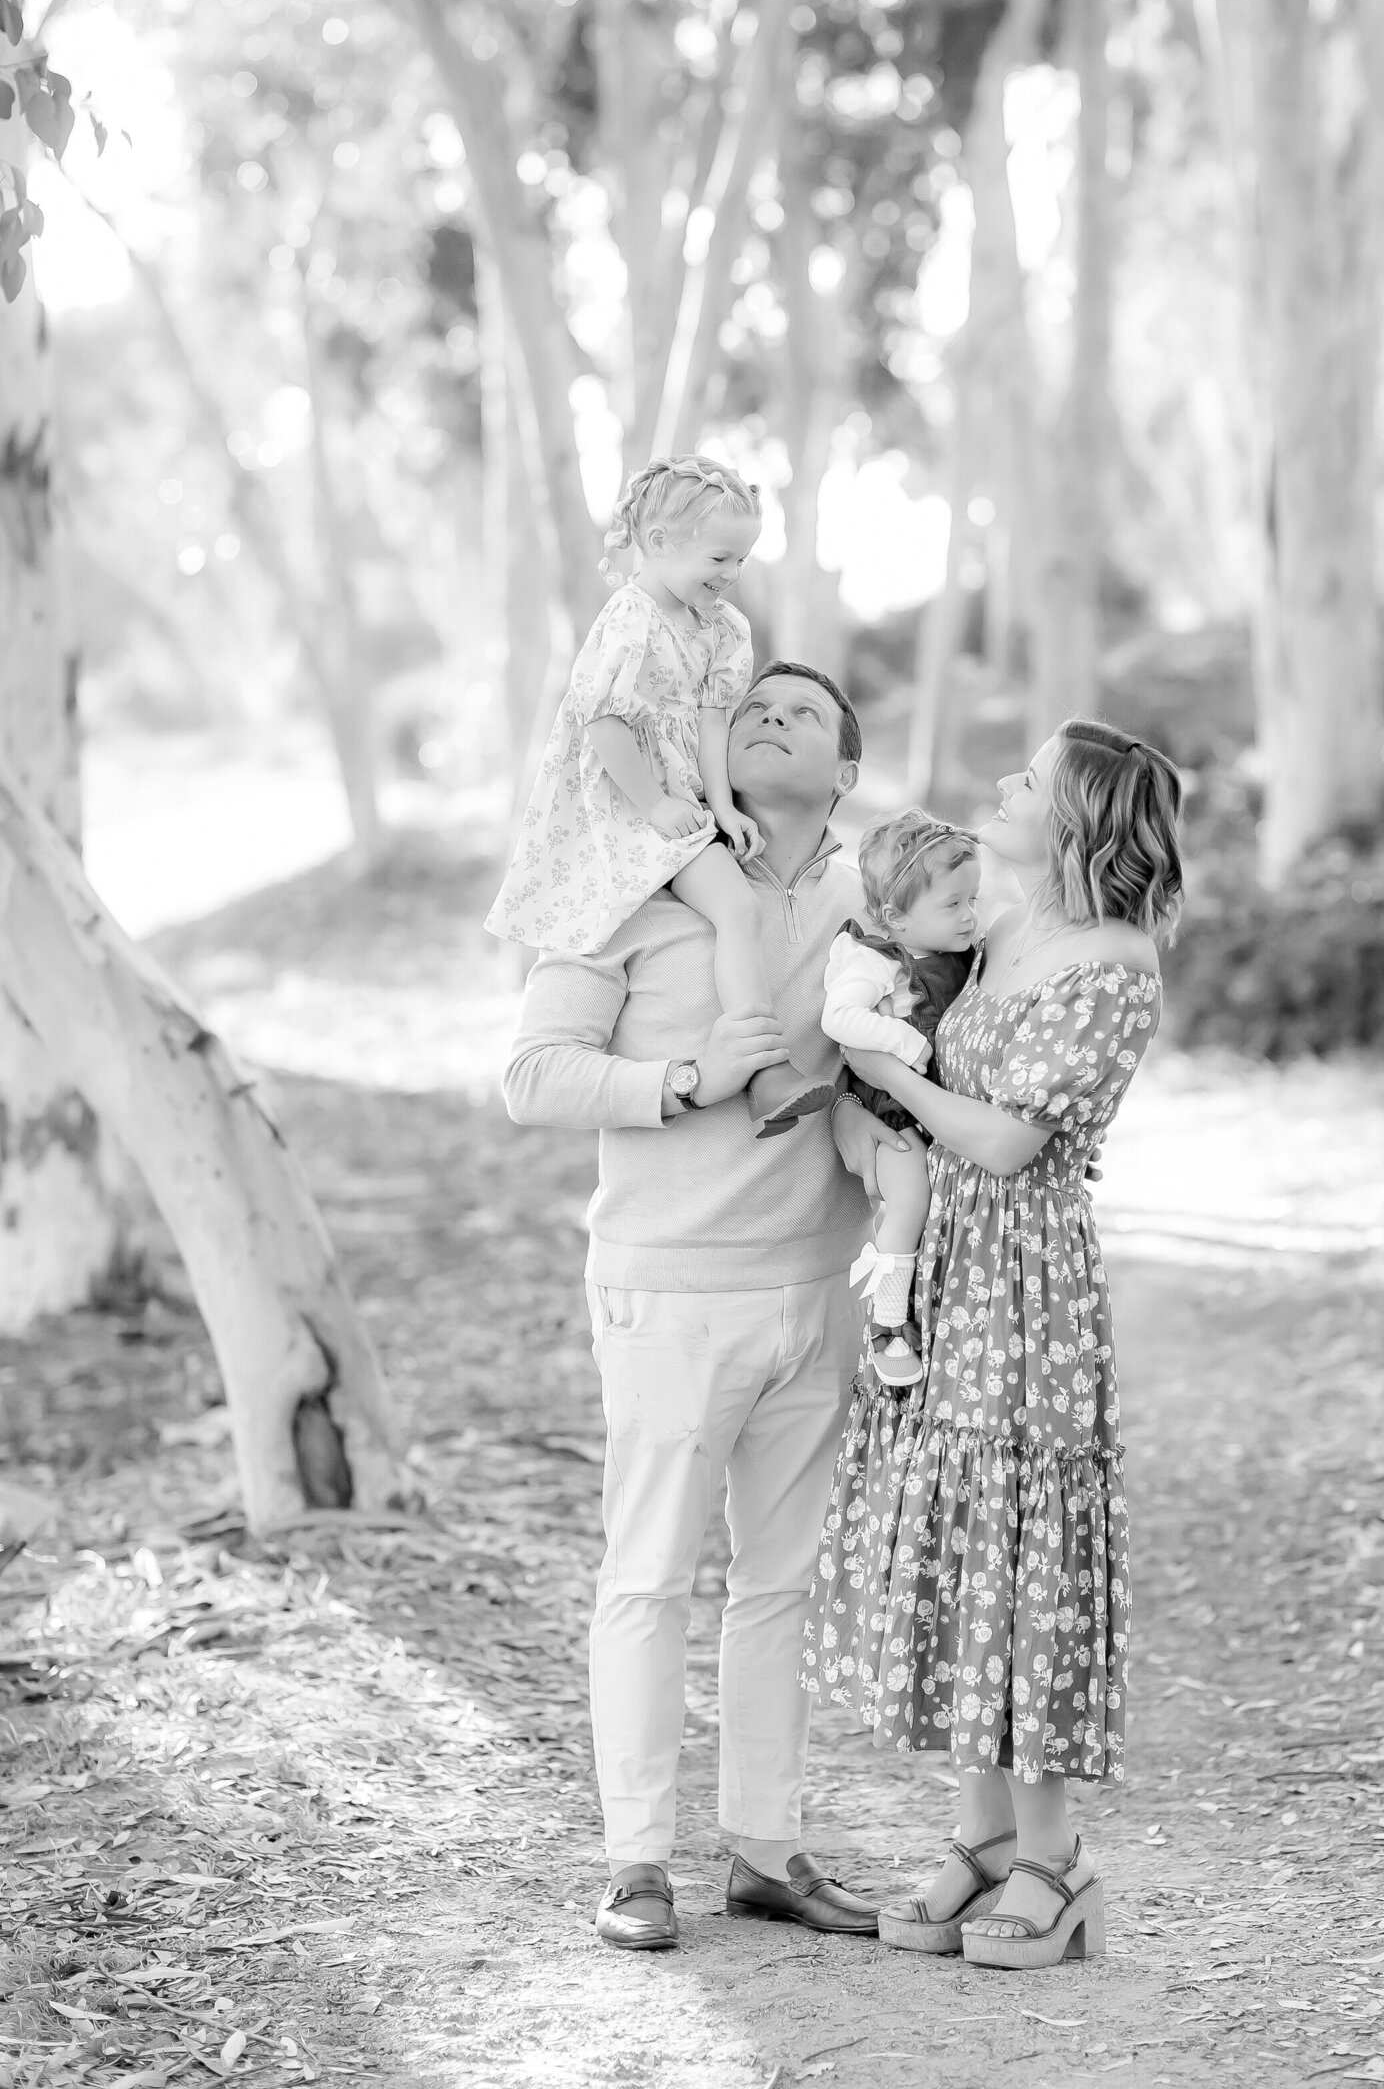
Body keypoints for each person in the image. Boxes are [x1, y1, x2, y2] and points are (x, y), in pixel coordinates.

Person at [502, 660, 906, 1953]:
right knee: (649, 1578)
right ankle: (633, 1866)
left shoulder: (871, 906)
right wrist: (678, 1077)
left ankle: (766, 1853)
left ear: (843, 774)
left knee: (779, 1586)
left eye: (804, 714)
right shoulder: (635, 884)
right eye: (753, 709)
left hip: (817, 1292)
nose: (770, 717)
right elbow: (531, 1075)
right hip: (670, 1290)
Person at [804, 719, 1183, 1972]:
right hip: (949, 1270)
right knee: (957, 1540)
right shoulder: (1003, 925)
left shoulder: (1116, 964)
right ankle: (975, 1839)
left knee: (1022, 1555)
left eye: (1028, 780)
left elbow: (1011, 1142)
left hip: (1027, 1290)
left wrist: (891, 1082)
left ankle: (1052, 1861)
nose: (1003, 788)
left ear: (1074, 817)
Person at [486, 454, 833, 1139]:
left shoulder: (723, 629)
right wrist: (654, 806)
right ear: (660, 542)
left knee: (733, 902)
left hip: (680, 797)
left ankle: (763, 1070)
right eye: (719, 558)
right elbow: (605, 725)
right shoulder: (630, 621)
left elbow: (711, 722)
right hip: (626, 799)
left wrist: (721, 805)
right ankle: (765, 1068)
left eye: (740, 561)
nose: (730, 576)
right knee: (734, 903)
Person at [821, 810, 981, 1387]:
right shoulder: (876, 959)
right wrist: (902, 1041)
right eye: (953, 905)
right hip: (892, 1114)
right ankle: (889, 1321)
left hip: (943, 1110)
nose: (969, 915)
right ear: (894, 917)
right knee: (910, 1198)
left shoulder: (963, 955)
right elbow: (838, 1017)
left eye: (973, 900)